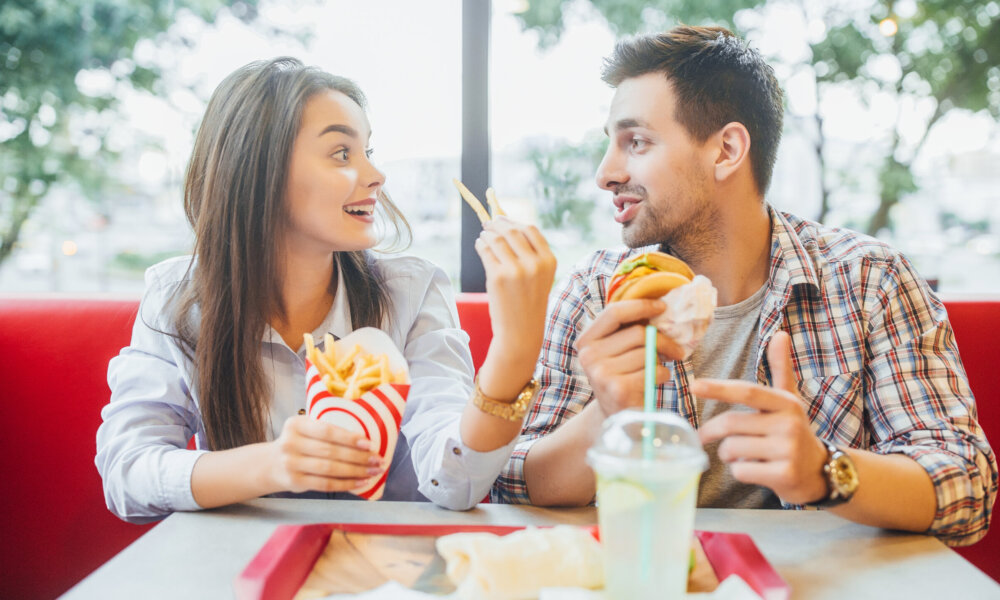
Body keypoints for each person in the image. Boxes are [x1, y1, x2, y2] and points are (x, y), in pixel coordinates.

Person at [491, 26, 997, 546]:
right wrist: (607, 415)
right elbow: (511, 482)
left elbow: (966, 485)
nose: (605, 174)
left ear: (727, 149)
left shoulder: (870, 280)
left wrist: (824, 470)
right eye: (610, 145)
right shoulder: (597, 290)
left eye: (635, 142)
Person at [97, 57, 556, 523]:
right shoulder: (177, 297)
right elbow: (127, 474)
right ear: (259, 171)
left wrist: (514, 351)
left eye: (369, 151)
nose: (376, 175)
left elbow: (457, 483)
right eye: (342, 153)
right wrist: (272, 465)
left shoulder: (411, 292)